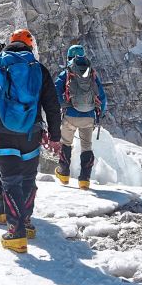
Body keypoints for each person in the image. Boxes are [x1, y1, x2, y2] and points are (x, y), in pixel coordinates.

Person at [0, 28, 61, 254]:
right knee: (28, 178)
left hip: (2, 134)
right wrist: (56, 137)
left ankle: (15, 232)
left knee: (9, 181)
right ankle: (27, 222)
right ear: (29, 47)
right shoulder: (38, 69)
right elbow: (51, 104)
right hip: (32, 133)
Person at [54, 44, 109, 189]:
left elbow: (55, 91)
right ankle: (84, 180)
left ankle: (64, 174)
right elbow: (102, 97)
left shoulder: (66, 73)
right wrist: (99, 114)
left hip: (70, 115)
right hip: (89, 116)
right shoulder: (92, 74)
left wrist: (63, 104)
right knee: (86, 147)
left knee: (66, 143)